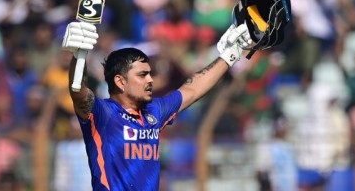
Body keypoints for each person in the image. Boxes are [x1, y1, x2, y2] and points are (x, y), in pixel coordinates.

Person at [61, 20, 252, 190]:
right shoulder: (103, 113)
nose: (151, 80)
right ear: (120, 82)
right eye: (142, 75)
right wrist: (78, 55)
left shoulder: (155, 111)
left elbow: (193, 89)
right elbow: (78, 91)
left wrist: (231, 55)